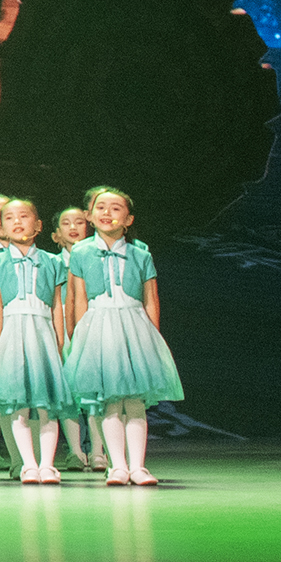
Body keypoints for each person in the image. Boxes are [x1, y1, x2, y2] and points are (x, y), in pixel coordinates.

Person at [61, 186, 183, 488]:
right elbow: (77, 298)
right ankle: (116, 465)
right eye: (100, 207)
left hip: (133, 325)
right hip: (98, 326)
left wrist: (152, 339)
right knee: (109, 401)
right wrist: (76, 334)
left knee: (135, 401)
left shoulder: (140, 253)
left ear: (128, 219)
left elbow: (150, 298)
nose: (107, 213)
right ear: (90, 216)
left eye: (115, 208)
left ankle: (138, 466)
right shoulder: (81, 251)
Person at [0, 198, 73, 483]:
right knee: (17, 404)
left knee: (46, 404)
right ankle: (27, 463)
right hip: (12, 335)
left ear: (38, 225)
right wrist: (1, 344)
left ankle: (48, 464)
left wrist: (59, 341)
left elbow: (56, 306)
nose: (17, 222)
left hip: (42, 334)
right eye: (9, 218)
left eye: (24, 216)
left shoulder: (52, 262)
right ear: (1, 226)